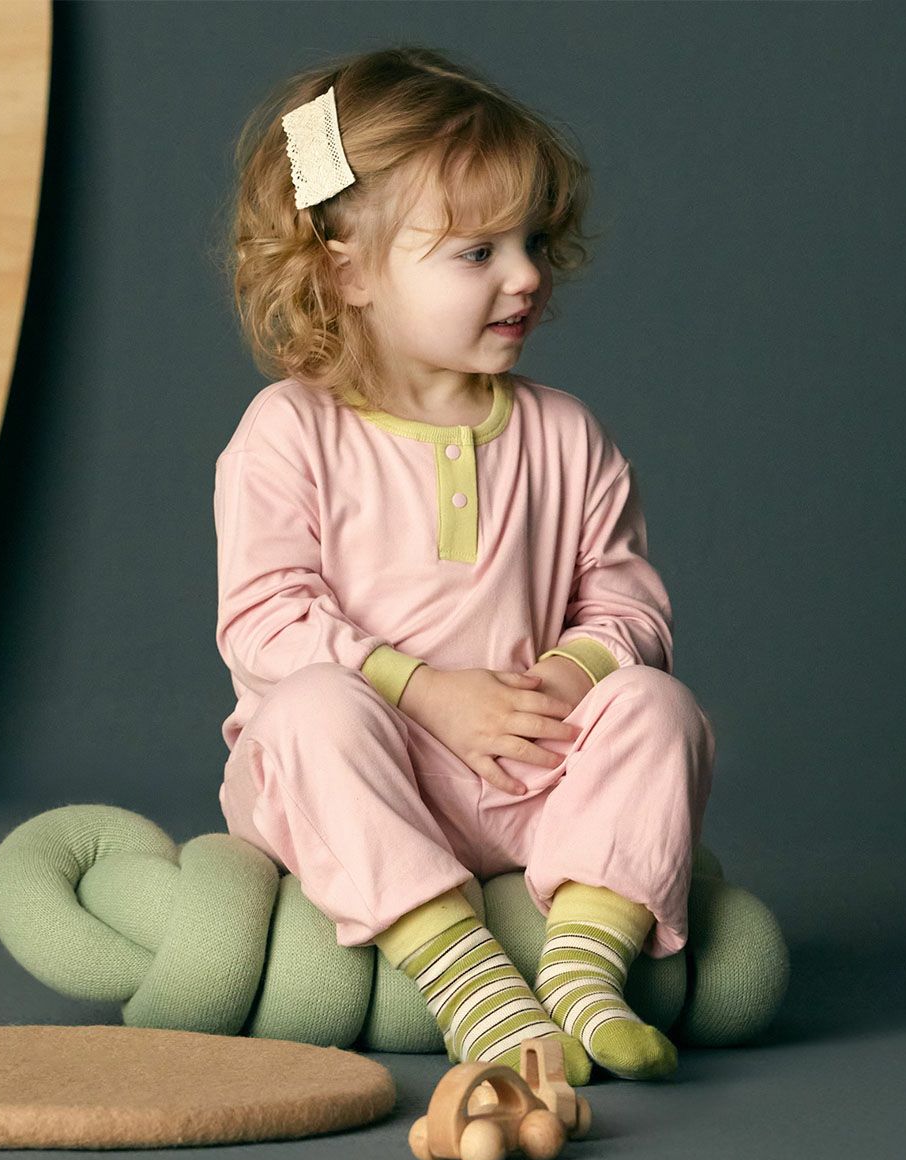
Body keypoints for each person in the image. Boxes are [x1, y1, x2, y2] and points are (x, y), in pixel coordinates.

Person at [213, 45, 715, 1086]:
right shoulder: (289, 432)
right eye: (477, 251)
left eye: (531, 242)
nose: (525, 275)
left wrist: (568, 675)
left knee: (659, 709)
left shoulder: (566, 435)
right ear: (348, 273)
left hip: (524, 772)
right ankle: (467, 977)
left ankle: (584, 966)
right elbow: (265, 620)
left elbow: (628, 601)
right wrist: (425, 691)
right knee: (309, 710)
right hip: (364, 771)